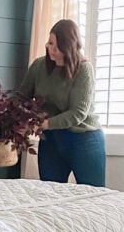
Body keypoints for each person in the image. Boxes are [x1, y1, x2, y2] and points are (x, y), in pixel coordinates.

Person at [18, 19, 106, 186]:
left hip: (84, 138)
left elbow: (78, 113)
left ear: (70, 46)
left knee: (93, 196)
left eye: (57, 46)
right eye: (50, 43)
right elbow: (21, 97)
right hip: (51, 138)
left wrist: (43, 124)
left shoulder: (84, 70)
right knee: (50, 192)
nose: (52, 49)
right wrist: (19, 120)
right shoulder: (38, 66)